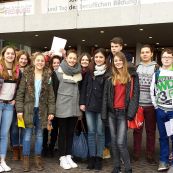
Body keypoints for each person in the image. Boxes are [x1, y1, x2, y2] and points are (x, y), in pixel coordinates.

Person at [15, 52, 55, 172]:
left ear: (44, 62)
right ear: (33, 61)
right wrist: (19, 110)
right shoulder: (26, 74)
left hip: (42, 111)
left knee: (39, 136)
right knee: (27, 136)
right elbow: (20, 94)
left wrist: (51, 111)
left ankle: (38, 159)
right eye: (38, 60)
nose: (40, 62)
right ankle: (26, 160)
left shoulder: (48, 76)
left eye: (42, 61)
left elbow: (51, 96)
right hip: (28, 110)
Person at [101, 51, 139, 173]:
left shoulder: (132, 75)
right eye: (115, 61)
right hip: (112, 113)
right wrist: (104, 113)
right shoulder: (109, 76)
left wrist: (130, 114)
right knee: (113, 141)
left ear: (124, 61)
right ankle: (116, 167)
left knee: (120, 142)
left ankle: (128, 168)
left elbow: (135, 96)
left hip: (124, 113)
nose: (117, 62)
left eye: (119, 60)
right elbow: (105, 96)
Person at [80, 48, 110, 170]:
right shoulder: (89, 71)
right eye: (96, 57)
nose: (98, 59)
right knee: (91, 132)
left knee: (100, 132)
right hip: (88, 106)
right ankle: (92, 157)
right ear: (94, 58)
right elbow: (84, 88)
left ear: (105, 59)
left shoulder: (108, 72)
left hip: (101, 107)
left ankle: (99, 158)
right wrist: (82, 103)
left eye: (101, 57)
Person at [55, 50, 82, 170]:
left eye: (74, 58)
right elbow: (54, 90)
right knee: (63, 133)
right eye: (70, 58)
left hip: (74, 106)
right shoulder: (58, 71)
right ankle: (62, 157)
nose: (72, 60)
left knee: (71, 133)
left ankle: (68, 155)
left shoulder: (79, 72)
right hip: (62, 106)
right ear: (66, 58)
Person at [133, 44, 158, 163]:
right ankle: (136, 153)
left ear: (151, 54)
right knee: (137, 131)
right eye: (142, 52)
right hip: (138, 105)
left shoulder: (156, 67)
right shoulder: (136, 67)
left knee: (150, 131)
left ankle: (150, 155)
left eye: (147, 52)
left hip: (151, 105)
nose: (144, 54)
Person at [150, 48, 173, 172]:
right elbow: (152, 90)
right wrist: (156, 106)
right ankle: (163, 160)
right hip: (160, 111)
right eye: (164, 57)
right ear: (161, 58)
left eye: (169, 57)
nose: (167, 59)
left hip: (172, 112)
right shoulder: (157, 74)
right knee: (163, 137)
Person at [0, 46, 21, 172]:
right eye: (8, 53)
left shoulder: (17, 71)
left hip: (9, 105)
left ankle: (2, 160)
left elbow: (19, 89)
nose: (10, 55)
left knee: (4, 135)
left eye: (12, 54)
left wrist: (15, 99)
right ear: (3, 55)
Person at [10, 50, 31, 161]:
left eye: (25, 59)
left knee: (23, 127)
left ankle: (23, 150)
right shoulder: (14, 70)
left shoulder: (30, 71)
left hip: (26, 104)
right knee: (14, 128)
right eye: (21, 58)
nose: (23, 60)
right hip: (13, 103)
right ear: (18, 59)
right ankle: (15, 149)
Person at [42, 55, 61, 157]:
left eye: (58, 63)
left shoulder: (62, 74)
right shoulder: (48, 74)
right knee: (45, 128)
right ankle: (44, 147)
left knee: (54, 129)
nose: (56, 65)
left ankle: (51, 147)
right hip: (47, 105)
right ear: (51, 64)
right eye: (54, 63)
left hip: (58, 105)